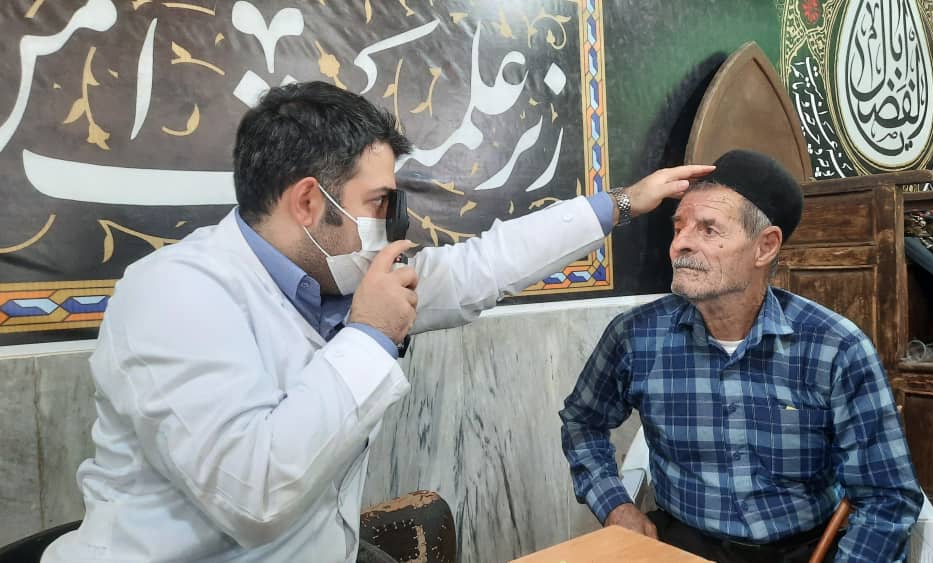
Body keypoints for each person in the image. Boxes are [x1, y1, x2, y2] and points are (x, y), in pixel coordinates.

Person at [41, 81, 713, 563]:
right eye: (377, 202)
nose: (390, 224)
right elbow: (253, 496)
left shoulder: (343, 276)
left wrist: (623, 203)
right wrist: (367, 336)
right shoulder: (174, 295)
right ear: (309, 202)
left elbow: (486, 266)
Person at [559, 149, 923, 563]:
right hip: (683, 544)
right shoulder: (636, 336)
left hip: (804, 550)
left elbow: (887, 497)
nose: (680, 244)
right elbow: (582, 421)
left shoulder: (834, 347)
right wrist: (615, 505)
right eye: (679, 227)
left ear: (765, 247)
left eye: (708, 229)